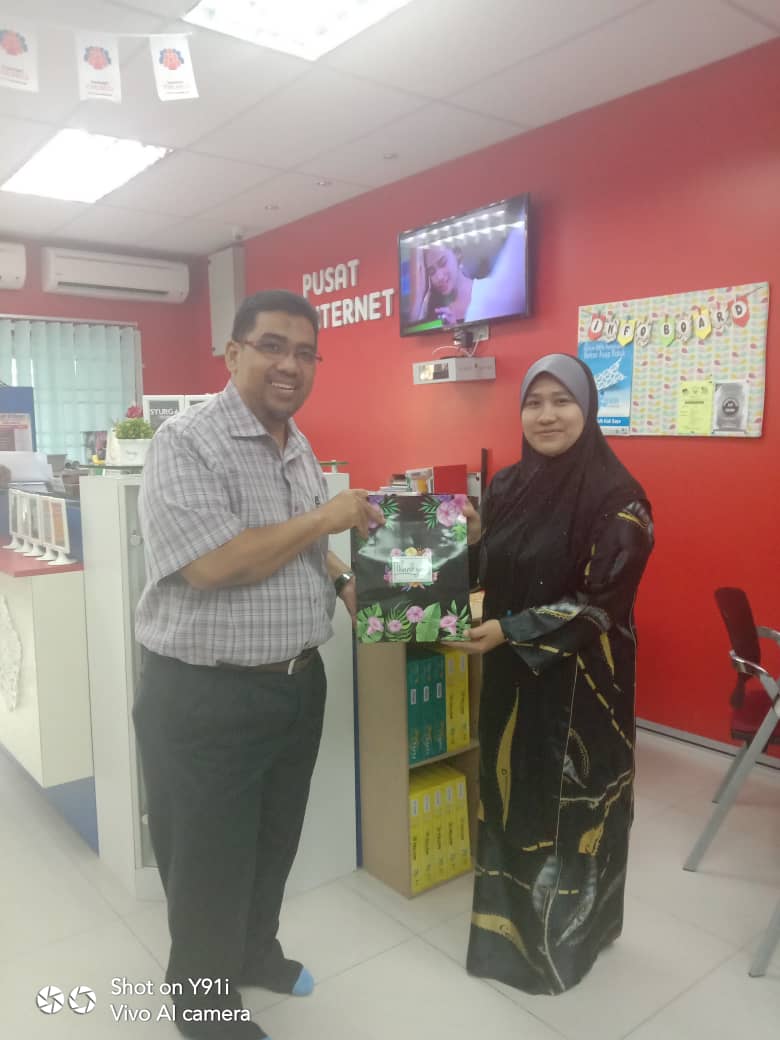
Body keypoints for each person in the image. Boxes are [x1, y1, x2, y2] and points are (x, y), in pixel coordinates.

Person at [132, 289, 382, 1040]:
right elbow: (213, 564)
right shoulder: (186, 442)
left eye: (305, 353)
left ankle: (253, 953)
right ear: (234, 352)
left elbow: (302, 543)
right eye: (272, 346)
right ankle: (202, 1006)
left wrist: (343, 576)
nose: (290, 365)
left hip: (297, 684)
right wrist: (327, 515)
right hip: (207, 694)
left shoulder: (296, 443)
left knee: (274, 842)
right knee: (208, 859)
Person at [454, 354, 654, 995]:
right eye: (533, 402)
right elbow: (495, 569)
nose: (546, 415)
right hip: (513, 679)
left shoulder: (619, 500)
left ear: (587, 408)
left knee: (571, 809)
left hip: (582, 687)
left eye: (561, 401)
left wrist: (510, 630)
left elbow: (601, 601)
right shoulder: (509, 485)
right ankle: (507, 936)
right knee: (511, 795)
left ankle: (566, 943)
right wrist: (476, 538)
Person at [408, 226, 527, 328]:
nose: (439, 277)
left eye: (443, 263)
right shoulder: (432, 312)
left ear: (457, 254)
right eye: (431, 272)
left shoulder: (491, 289)